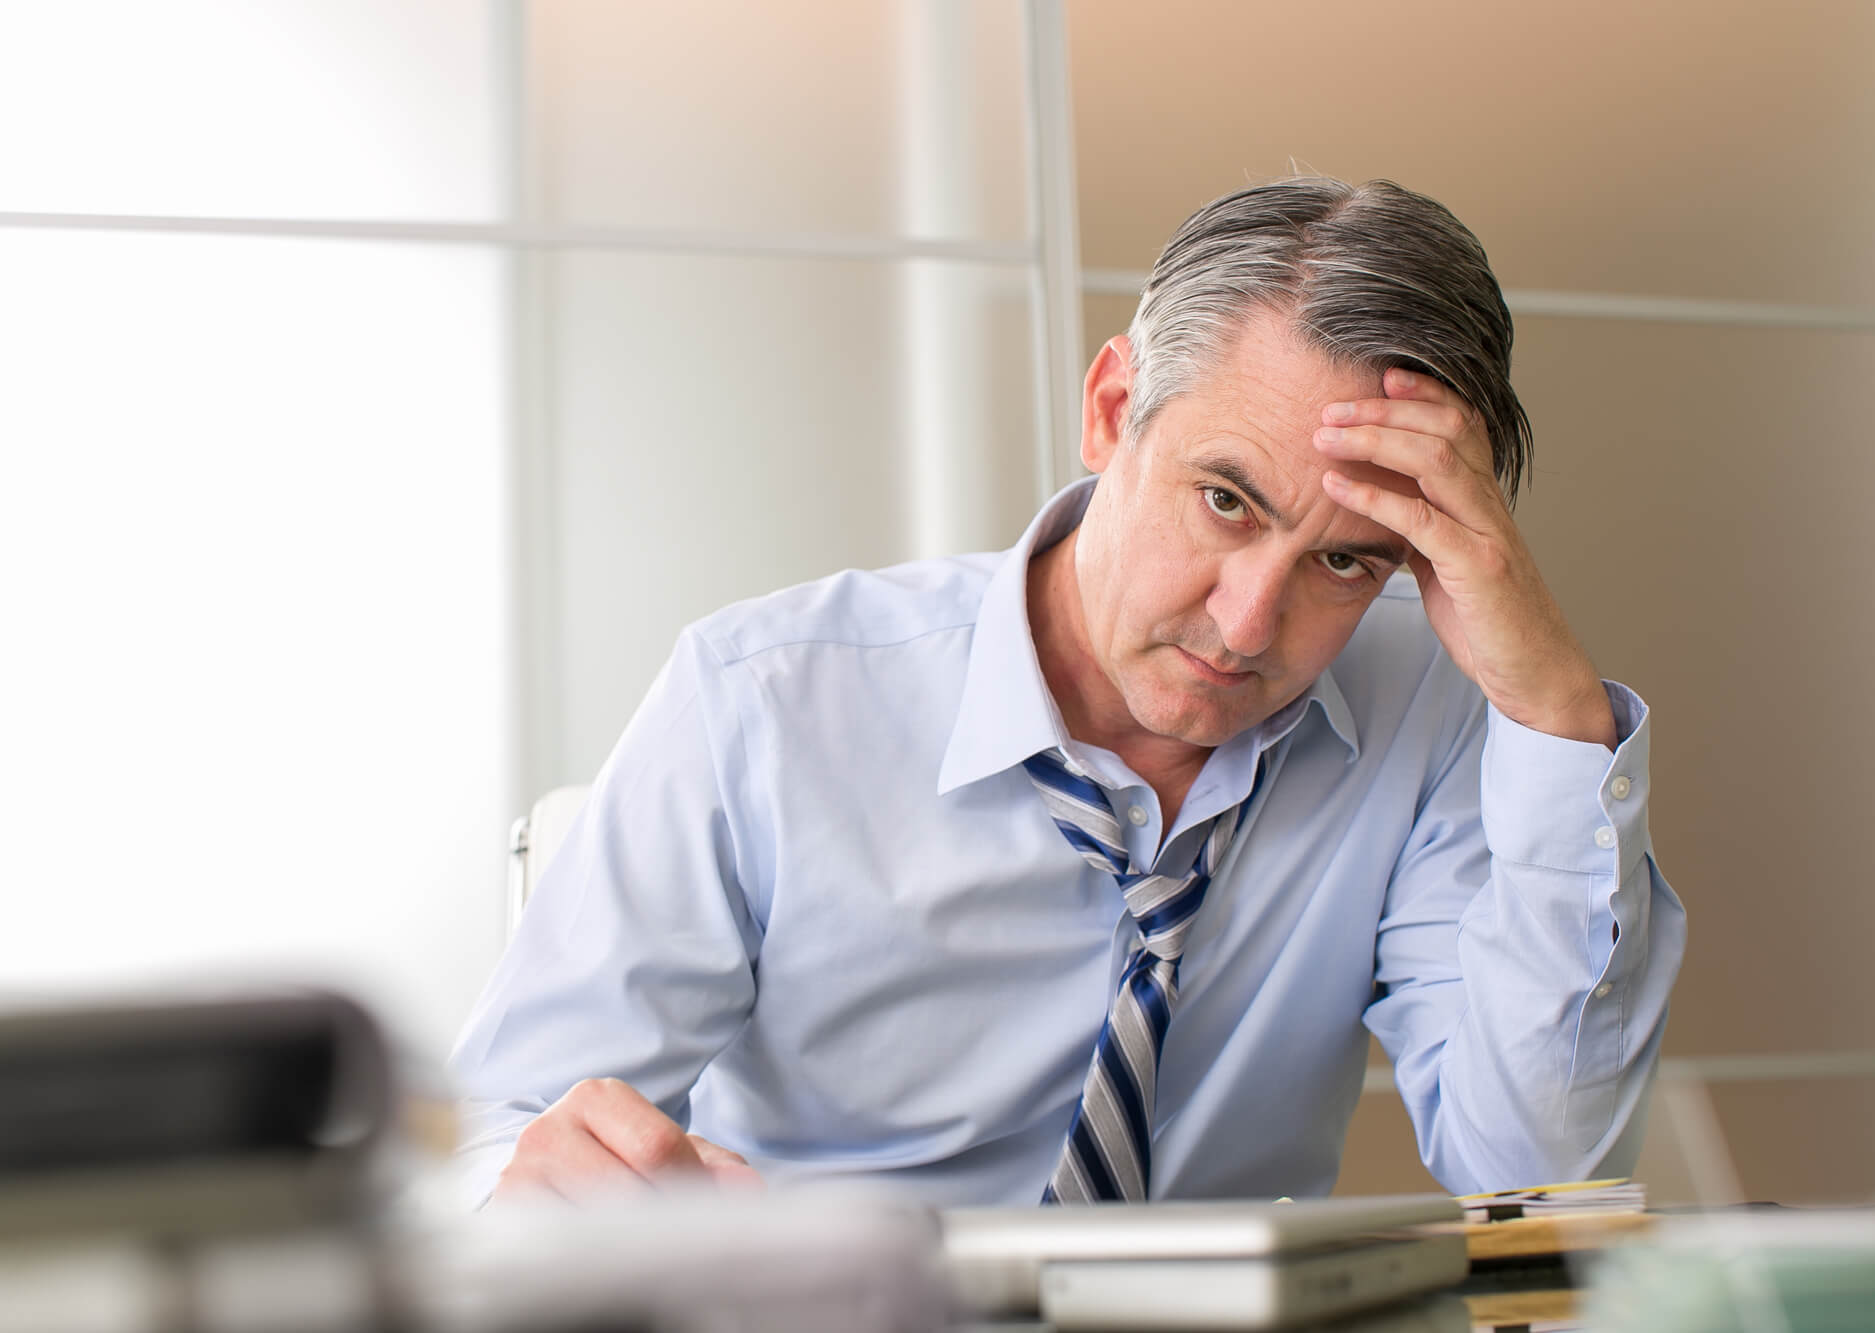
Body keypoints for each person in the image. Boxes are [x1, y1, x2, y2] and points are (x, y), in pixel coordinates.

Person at [449, 176, 1686, 1209]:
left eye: (1344, 559)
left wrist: (1554, 725)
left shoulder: (1433, 706)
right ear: (1110, 410)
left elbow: (1540, 1183)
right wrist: (547, 1188)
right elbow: (502, 1131)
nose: (1247, 622)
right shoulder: (764, 703)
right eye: (1224, 499)